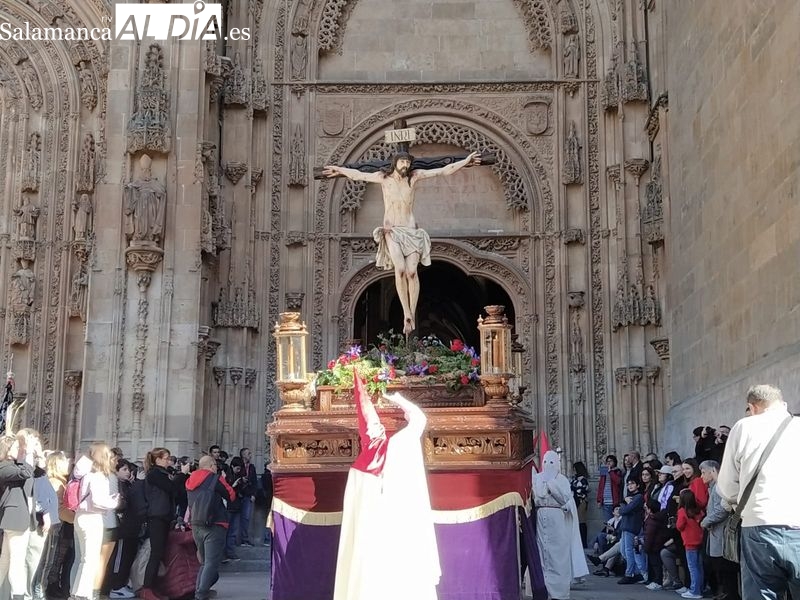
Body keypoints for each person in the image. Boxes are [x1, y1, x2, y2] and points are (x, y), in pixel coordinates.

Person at [323, 151, 481, 334]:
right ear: (395, 163)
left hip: (412, 232)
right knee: (400, 269)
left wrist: (465, 161)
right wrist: (339, 170)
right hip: (392, 231)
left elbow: (443, 170)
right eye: (402, 161)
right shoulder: (383, 178)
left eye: (407, 161)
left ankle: (411, 315)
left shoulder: (414, 177)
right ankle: (406, 312)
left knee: (412, 273)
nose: (405, 165)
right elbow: (359, 174)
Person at [334, 377, 440, 600]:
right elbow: (419, 420)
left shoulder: (361, 468)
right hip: (396, 534)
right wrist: (399, 399)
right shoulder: (397, 446)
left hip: (371, 541)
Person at [717, 384, 800, 599]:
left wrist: (738, 504)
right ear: (783, 404)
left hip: (759, 524)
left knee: (762, 592)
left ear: (751, 407)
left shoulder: (744, 427)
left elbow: (726, 484)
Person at [533, 450, 589, 598]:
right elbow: (536, 497)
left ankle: (559, 591)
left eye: (551, 462)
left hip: (557, 519)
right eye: (545, 462)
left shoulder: (562, 479)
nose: (547, 465)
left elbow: (566, 499)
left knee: (557, 555)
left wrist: (551, 483)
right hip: (540, 518)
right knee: (541, 552)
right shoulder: (537, 478)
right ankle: (542, 589)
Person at [186, 456, 235, 600]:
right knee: (211, 563)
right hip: (215, 523)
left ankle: (200, 591)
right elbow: (231, 495)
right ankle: (201, 594)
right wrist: (224, 479)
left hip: (196, 524)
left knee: (204, 562)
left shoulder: (189, 480)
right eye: (215, 465)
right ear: (212, 465)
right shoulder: (215, 478)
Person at [0, 432, 38, 600]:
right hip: (14, 518)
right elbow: (25, 473)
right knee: (17, 560)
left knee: (6, 559)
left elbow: (28, 473)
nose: (19, 449)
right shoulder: (4, 467)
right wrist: (28, 452)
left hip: (16, 518)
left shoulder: (12, 465)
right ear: (8, 450)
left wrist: (29, 454)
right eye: (16, 447)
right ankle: (18, 596)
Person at [699, 459, 740, 600]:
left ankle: (731, 594)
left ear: (713, 471)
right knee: (718, 566)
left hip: (723, 533)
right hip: (716, 532)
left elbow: (722, 510)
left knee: (725, 566)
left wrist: (706, 521)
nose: (701, 476)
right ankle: (725, 592)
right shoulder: (713, 487)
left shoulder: (719, 487)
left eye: (704, 472)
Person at [141, 447, 175, 600]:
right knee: (155, 553)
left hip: (163, 516)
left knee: (160, 553)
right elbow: (171, 488)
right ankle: (147, 588)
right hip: (156, 516)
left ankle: (154, 587)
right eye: (166, 458)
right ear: (158, 459)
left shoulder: (163, 474)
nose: (169, 461)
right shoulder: (155, 474)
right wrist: (181, 474)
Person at [676, 488, 705, 599]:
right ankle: (700, 588)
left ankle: (695, 591)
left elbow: (679, 526)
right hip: (699, 540)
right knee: (699, 567)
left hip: (689, 542)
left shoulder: (682, 511)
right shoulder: (698, 511)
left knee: (693, 568)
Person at [596, 455, 623, 521]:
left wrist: (610, 471)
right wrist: (599, 500)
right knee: (608, 522)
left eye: (610, 461)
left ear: (614, 462)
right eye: (607, 461)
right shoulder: (604, 472)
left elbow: (618, 481)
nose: (608, 463)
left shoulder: (617, 471)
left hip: (614, 502)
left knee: (616, 522)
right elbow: (601, 486)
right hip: (605, 502)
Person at [570, 461, 589, 548]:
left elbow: (582, 490)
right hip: (575, 501)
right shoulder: (575, 479)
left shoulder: (583, 479)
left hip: (581, 502)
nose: (573, 471)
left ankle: (584, 543)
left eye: (574, 469)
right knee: (577, 522)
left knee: (581, 521)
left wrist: (574, 489)